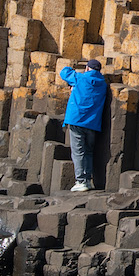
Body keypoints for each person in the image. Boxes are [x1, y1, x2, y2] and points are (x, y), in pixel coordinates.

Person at [58, 58, 109, 193]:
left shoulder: (80, 78)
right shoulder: (103, 84)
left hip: (77, 120)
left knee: (78, 152)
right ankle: (87, 180)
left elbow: (64, 72)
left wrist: (76, 72)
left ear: (87, 68)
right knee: (88, 151)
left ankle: (81, 181)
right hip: (93, 123)